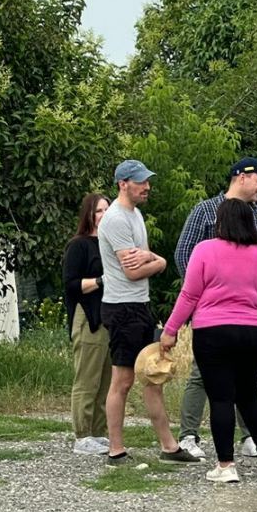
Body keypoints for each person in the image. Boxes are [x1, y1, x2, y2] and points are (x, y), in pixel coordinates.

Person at [162, 199, 257, 482]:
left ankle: (226, 466)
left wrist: (171, 329)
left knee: (221, 398)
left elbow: (189, 294)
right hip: (250, 331)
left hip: (212, 331)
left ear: (221, 222)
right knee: (250, 395)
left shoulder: (204, 250)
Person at [99, 160, 196, 465]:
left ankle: (168, 446)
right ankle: (115, 449)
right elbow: (133, 271)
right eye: (140, 181)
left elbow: (143, 262)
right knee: (123, 380)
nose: (147, 186)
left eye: (147, 181)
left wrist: (151, 259)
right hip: (121, 307)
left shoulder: (136, 215)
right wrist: (161, 261)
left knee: (152, 373)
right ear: (122, 183)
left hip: (139, 305)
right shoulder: (115, 219)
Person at [64, 193, 111, 455]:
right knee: (87, 379)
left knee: (106, 379)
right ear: (89, 215)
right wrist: (101, 281)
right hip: (87, 316)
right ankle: (82, 435)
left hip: (108, 317)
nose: (104, 215)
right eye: (99, 211)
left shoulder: (109, 243)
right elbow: (71, 285)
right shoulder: (79, 245)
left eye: (107, 210)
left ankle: (98, 431)